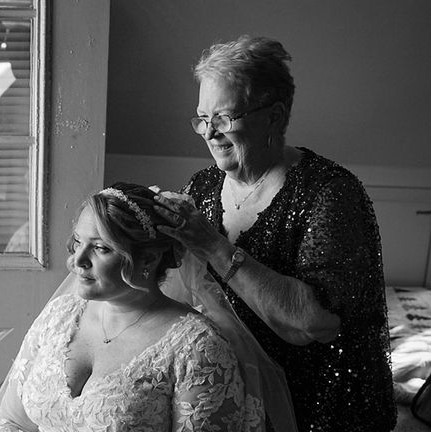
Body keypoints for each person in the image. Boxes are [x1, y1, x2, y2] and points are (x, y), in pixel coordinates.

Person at [151, 35, 396, 431]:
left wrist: (213, 246)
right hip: (235, 394)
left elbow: (316, 322)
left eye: (224, 118)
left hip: (319, 407)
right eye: (202, 117)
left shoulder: (330, 192)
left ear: (276, 116)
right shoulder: (201, 187)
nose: (209, 133)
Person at [0, 182, 296, 432]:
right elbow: (11, 421)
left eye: (101, 248)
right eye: (77, 242)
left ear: (148, 259)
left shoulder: (197, 348)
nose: (78, 261)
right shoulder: (59, 317)